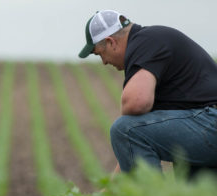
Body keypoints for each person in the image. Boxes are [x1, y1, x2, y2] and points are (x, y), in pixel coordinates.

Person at [78, 9, 217, 178]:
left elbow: (136, 103)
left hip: (209, 122)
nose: (104, 62)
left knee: (123, 128)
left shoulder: (145, 42)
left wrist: (126, 132)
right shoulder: (151, 43)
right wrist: (109, 189)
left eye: (100, 54)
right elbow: (131, 147)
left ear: (111, 42)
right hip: (204, 125)